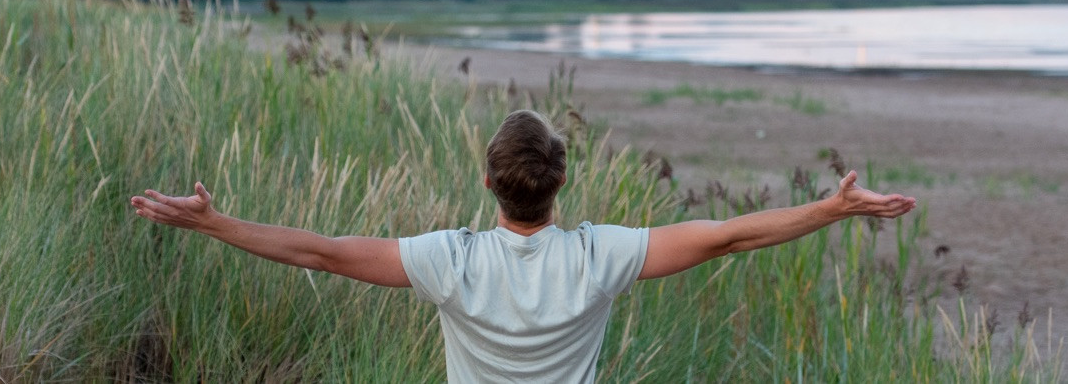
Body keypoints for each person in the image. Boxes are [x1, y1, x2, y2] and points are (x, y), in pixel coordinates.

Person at [129, 110, 917, 382]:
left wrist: (215, 222)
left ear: (488, 180)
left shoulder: (452, 260)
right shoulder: (599, 256)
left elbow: (323, 252)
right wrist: (833, 207)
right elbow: (731, 236)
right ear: (560, 181)